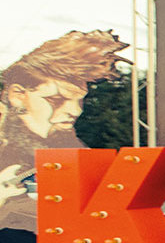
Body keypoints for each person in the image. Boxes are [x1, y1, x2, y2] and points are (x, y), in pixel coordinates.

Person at [0, 30, 129, 231]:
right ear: (18, 95)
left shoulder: (67, 146)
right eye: (56, 100)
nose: (75, 111)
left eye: (79, 100)